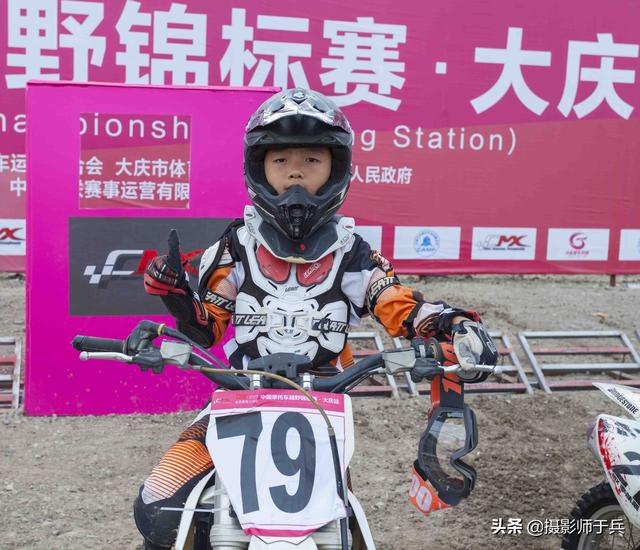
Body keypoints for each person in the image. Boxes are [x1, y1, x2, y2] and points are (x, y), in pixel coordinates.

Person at [136, 88, 498, 549]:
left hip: (322, 413)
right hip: (237, 401)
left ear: (337, 169)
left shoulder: (353, 254)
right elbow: (208, 327)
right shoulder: (235, 246)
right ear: (258, 169)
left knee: (338, 525)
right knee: (159, 509)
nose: (295, 172)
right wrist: (177, 297)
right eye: (280, 160)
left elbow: (395, 303)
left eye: (311, 160)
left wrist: (449, 322)